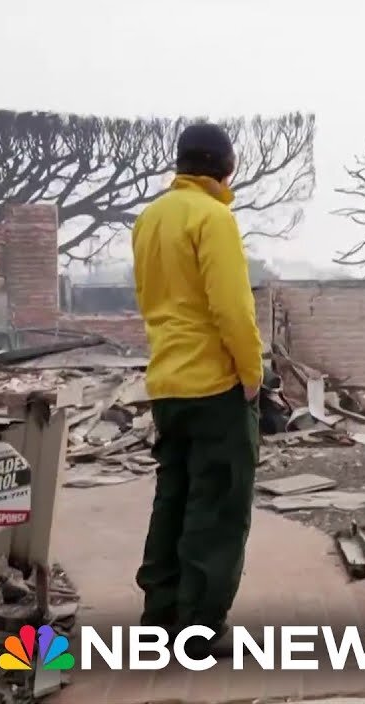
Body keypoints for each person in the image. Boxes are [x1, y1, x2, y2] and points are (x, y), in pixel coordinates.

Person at [131, 122, 263, 657]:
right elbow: (232, 308)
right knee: (220, 505)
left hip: (167, 383)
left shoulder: (150, 219)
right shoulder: (215, 218)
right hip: (215, 387)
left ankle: (159, 615)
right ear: (226, 169)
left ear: (182, 165)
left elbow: (151, 302)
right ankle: (200, 630)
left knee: (174, 497)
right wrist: (252, 377)